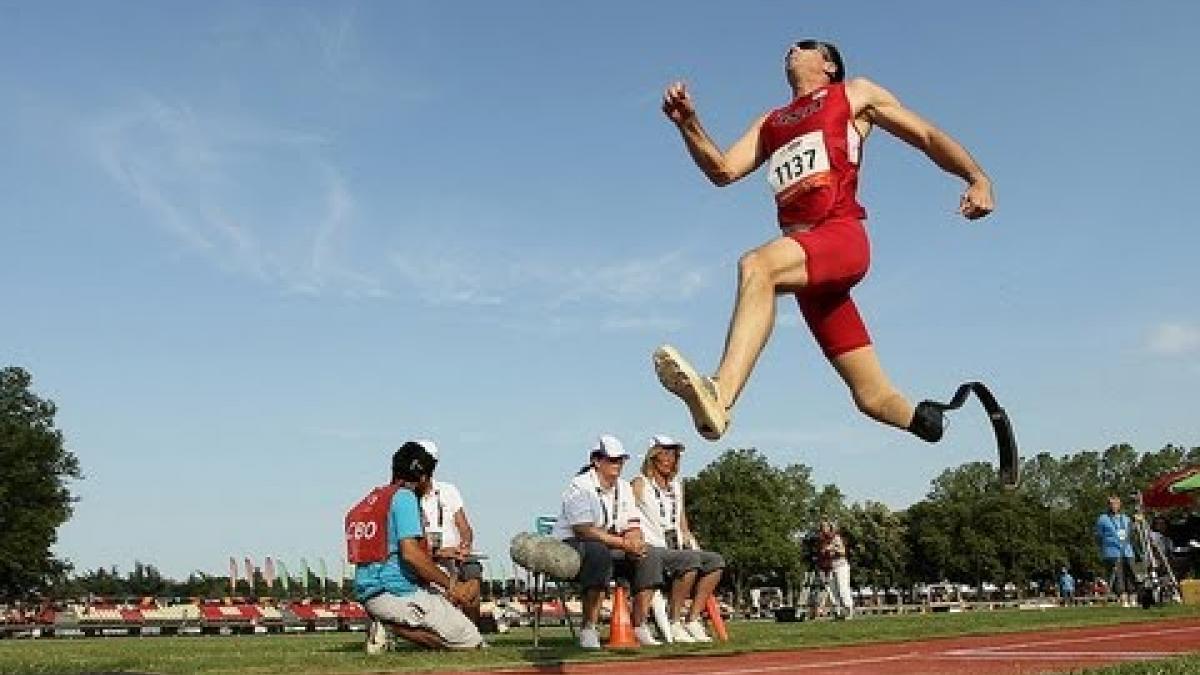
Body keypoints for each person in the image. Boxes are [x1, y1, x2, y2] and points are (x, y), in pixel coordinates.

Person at [652, 39, 1012, 480]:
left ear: (828, 64)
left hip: (839, 238)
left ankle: (720, 393)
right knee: (872, 396)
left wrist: (977, 178)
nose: (788, 47)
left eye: (802, 45)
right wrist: (689, 124)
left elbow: (927, 135)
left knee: (757, 266)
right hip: (807, 268)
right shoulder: (771, 121)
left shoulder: (854, 93)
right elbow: (723, 170)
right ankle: (927, 423)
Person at [348, 440, 483, 653]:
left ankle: (387, 624)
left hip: (371, 590)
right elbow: (411, 555)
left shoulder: (372, 499)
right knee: (471, 642)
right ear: (422, 477)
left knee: (451, 623)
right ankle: (389, 627)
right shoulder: (405, 498)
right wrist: (452, 586)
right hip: (395, 591)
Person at [552, 435, 666, 649]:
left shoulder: (623, 487)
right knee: (598, 553)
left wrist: (635, 541)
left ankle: (639, 625)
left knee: (650, 554)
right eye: (612, 460)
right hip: (572, 543)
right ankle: (588, 627)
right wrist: (623, 544)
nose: (618, 465)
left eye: (621, 460)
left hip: (610, 542)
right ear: (596, 461)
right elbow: (583, 530)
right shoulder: (580, 486)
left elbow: (632, 523)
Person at [631, 434, 725, 642]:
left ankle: (692, 619)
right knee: (689, 561)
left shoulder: (676, 485)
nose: (669, 459)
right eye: (663, 453)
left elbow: (681, 521)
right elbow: (626, 514)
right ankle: (674, 621)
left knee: (715, 561)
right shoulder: (640, 483)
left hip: (675, 546)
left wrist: (690, 538)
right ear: (652, 457)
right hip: (653, 548)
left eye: (673, 454)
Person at [418, 441, 483, 624]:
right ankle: (461, 625)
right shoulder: (407, 497)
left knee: (473, 571)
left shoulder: (448, 490)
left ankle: (472, 629)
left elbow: (465, 528)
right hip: (428, 558)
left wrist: (465, 544)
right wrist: (439, 552)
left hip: (455, 557)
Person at [1094, 495, 1136, 608]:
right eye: (1111, 504)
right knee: (1118, 576)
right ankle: (1123, 599)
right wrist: (1104, 547)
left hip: (1127, 551)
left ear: (1120, 505)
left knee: (1131, 574)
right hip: (1112, 552)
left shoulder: (1126, 518)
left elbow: (1131, 534)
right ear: (1108, 505)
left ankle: (1132, 597)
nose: (1113, 506)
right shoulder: (1102, 519)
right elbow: (1098, 536)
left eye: (1116, 504)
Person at [816, 520, 853, 620]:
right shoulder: (821, 540)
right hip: (829, 568)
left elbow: (843, 552)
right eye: (821, 527)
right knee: (831, 591)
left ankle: (848, 611)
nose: (823, 529)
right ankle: (837, 613)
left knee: (842, 588)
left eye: (825, 527)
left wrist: (832, 548)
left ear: (829, 528)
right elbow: (821, 554)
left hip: (841, 566)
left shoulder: (836, 538)